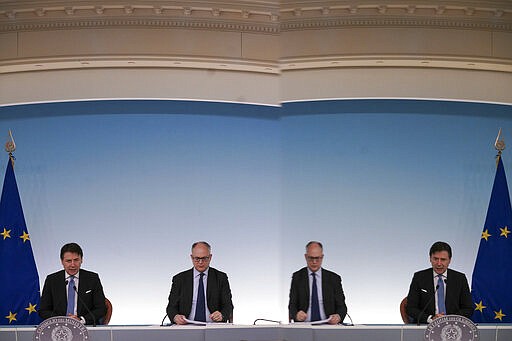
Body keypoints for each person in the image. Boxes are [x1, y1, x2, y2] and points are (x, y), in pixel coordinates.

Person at [39, 242, 106, 325]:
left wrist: (81, 320)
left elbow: (101, 309)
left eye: (76, 260)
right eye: (68, 261)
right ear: (62, 261)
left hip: (85, 326)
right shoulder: (52, 280)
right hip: (58, 327)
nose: (73, 265)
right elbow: (43, 310)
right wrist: (62, 320)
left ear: (81, 260)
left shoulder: (92, 279)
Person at [166, 241, 233, 324]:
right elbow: (171, 307)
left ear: (210, 257)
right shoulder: (179, 279)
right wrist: (175, 317)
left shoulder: (221, 277)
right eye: (197, 259)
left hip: (213, 326)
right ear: (191, 257)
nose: (200, 262)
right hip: (186, 326)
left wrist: (222, 315)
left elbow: (228, 305)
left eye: (204, 258)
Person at [406, 241, 473, 324]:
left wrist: (448, 319)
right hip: (426, 325)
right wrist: (430, 319)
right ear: (430, 258)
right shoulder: (419, 277)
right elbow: (410, 308)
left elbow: (468, 308)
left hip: (453, 326)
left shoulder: (460, 278)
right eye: (435, 259)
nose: (439, 263)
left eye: (443, 260)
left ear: (449, 260)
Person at [288, 241, 347, 324]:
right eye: (311, 258)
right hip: (304, 326)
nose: (314, 262)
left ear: (322, 257)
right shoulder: (297, 277)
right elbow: (292, 305)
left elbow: (342, 307)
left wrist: (339, 316)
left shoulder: (334, 279)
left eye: (317, 258)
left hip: (328, 326)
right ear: (305, 257)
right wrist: (296, 315)